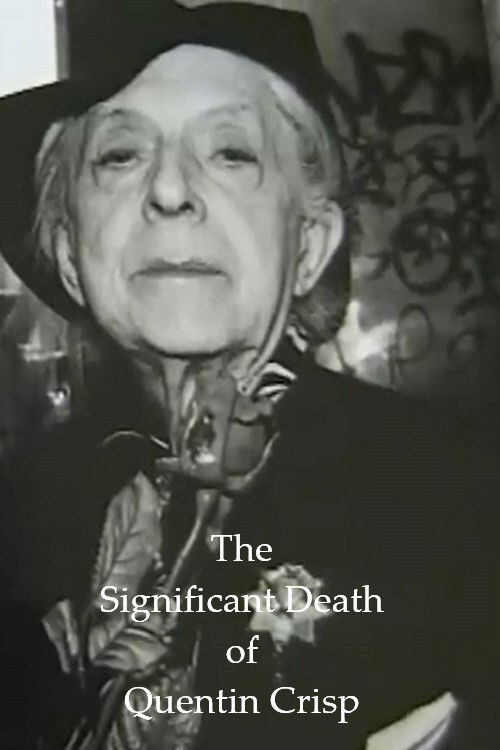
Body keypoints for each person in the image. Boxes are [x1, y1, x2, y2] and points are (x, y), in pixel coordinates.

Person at [0, 2, 498, 749]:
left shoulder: (462, 499)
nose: (171, 191)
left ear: (309, 246)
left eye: (232, 153)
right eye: (119, 156)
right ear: (70, 254)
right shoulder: (22, 512)